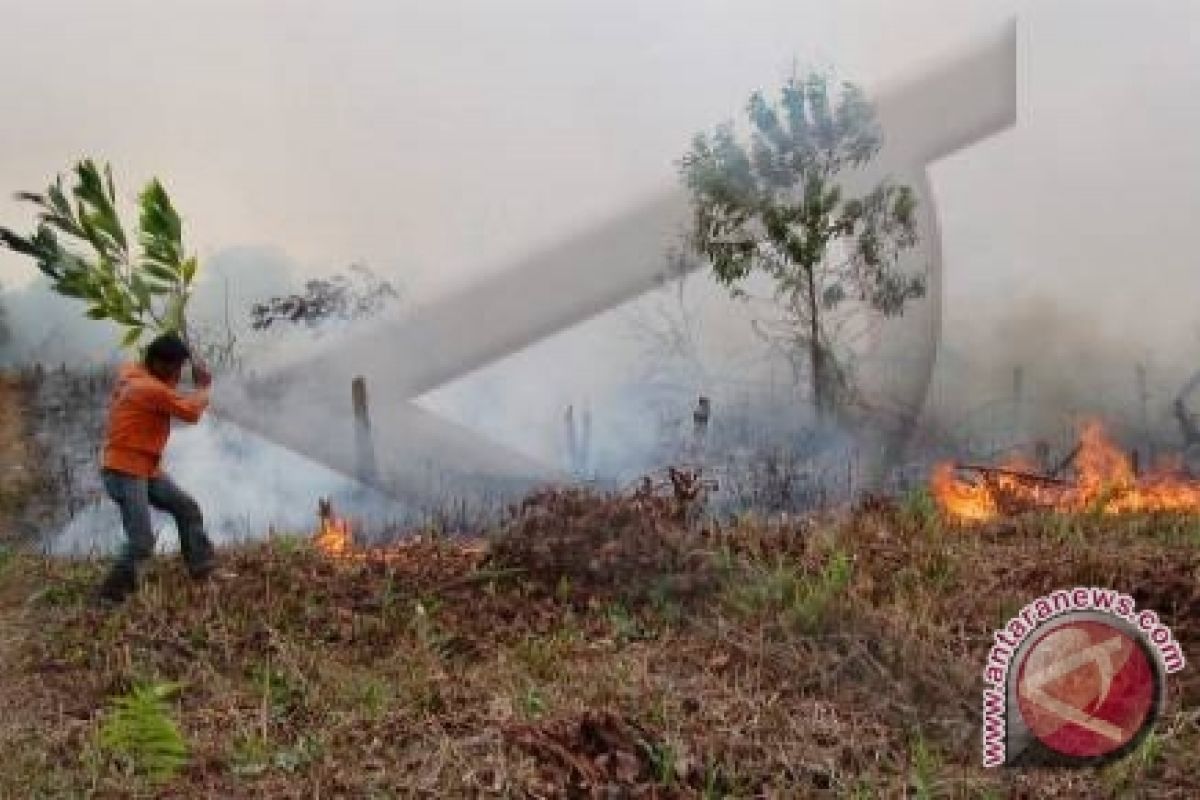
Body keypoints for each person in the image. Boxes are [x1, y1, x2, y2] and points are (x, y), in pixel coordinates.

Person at [95, 332, 226, 603]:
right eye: (176, 367)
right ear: (158, 363)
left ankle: (202, 568)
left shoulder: (135, 374)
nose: (178, 373)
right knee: (141, 542)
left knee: (186, 508)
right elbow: (190, 412)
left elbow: (169, 392)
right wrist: (204, 388)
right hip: (125, 469)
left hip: (142, 466)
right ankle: (109, 596)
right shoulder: (148, 389)